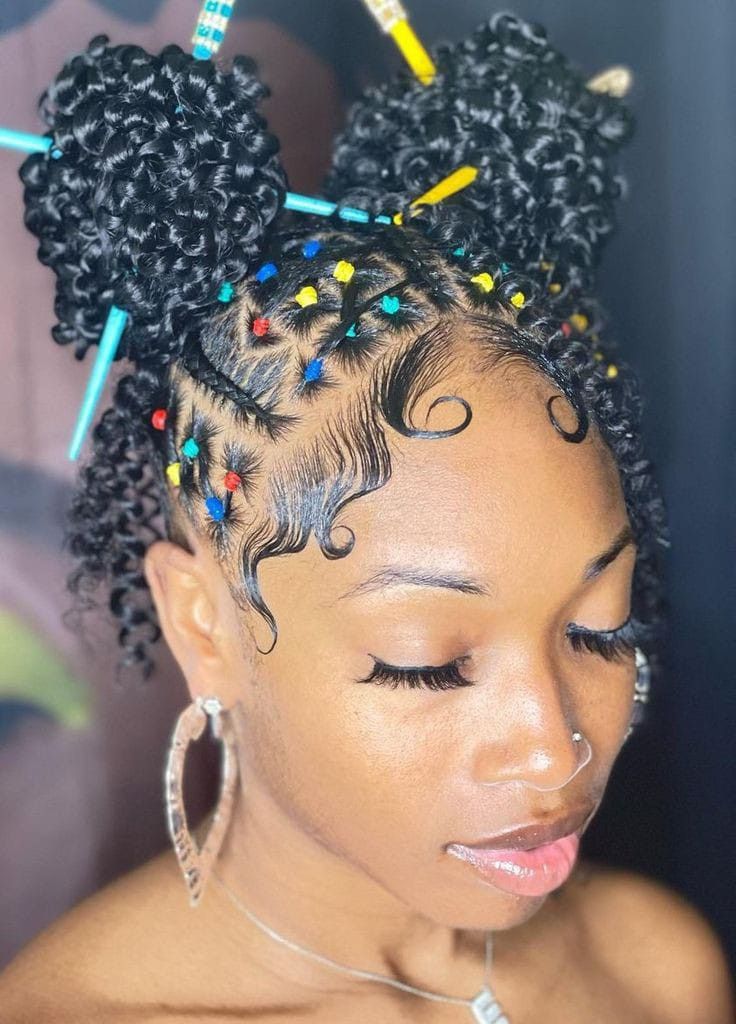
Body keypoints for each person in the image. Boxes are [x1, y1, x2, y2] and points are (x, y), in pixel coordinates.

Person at [0, 12, 733, 1023]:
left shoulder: (655, 970)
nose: (553, 748)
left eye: (597, 629)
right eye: (428, 664)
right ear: (203, 627)